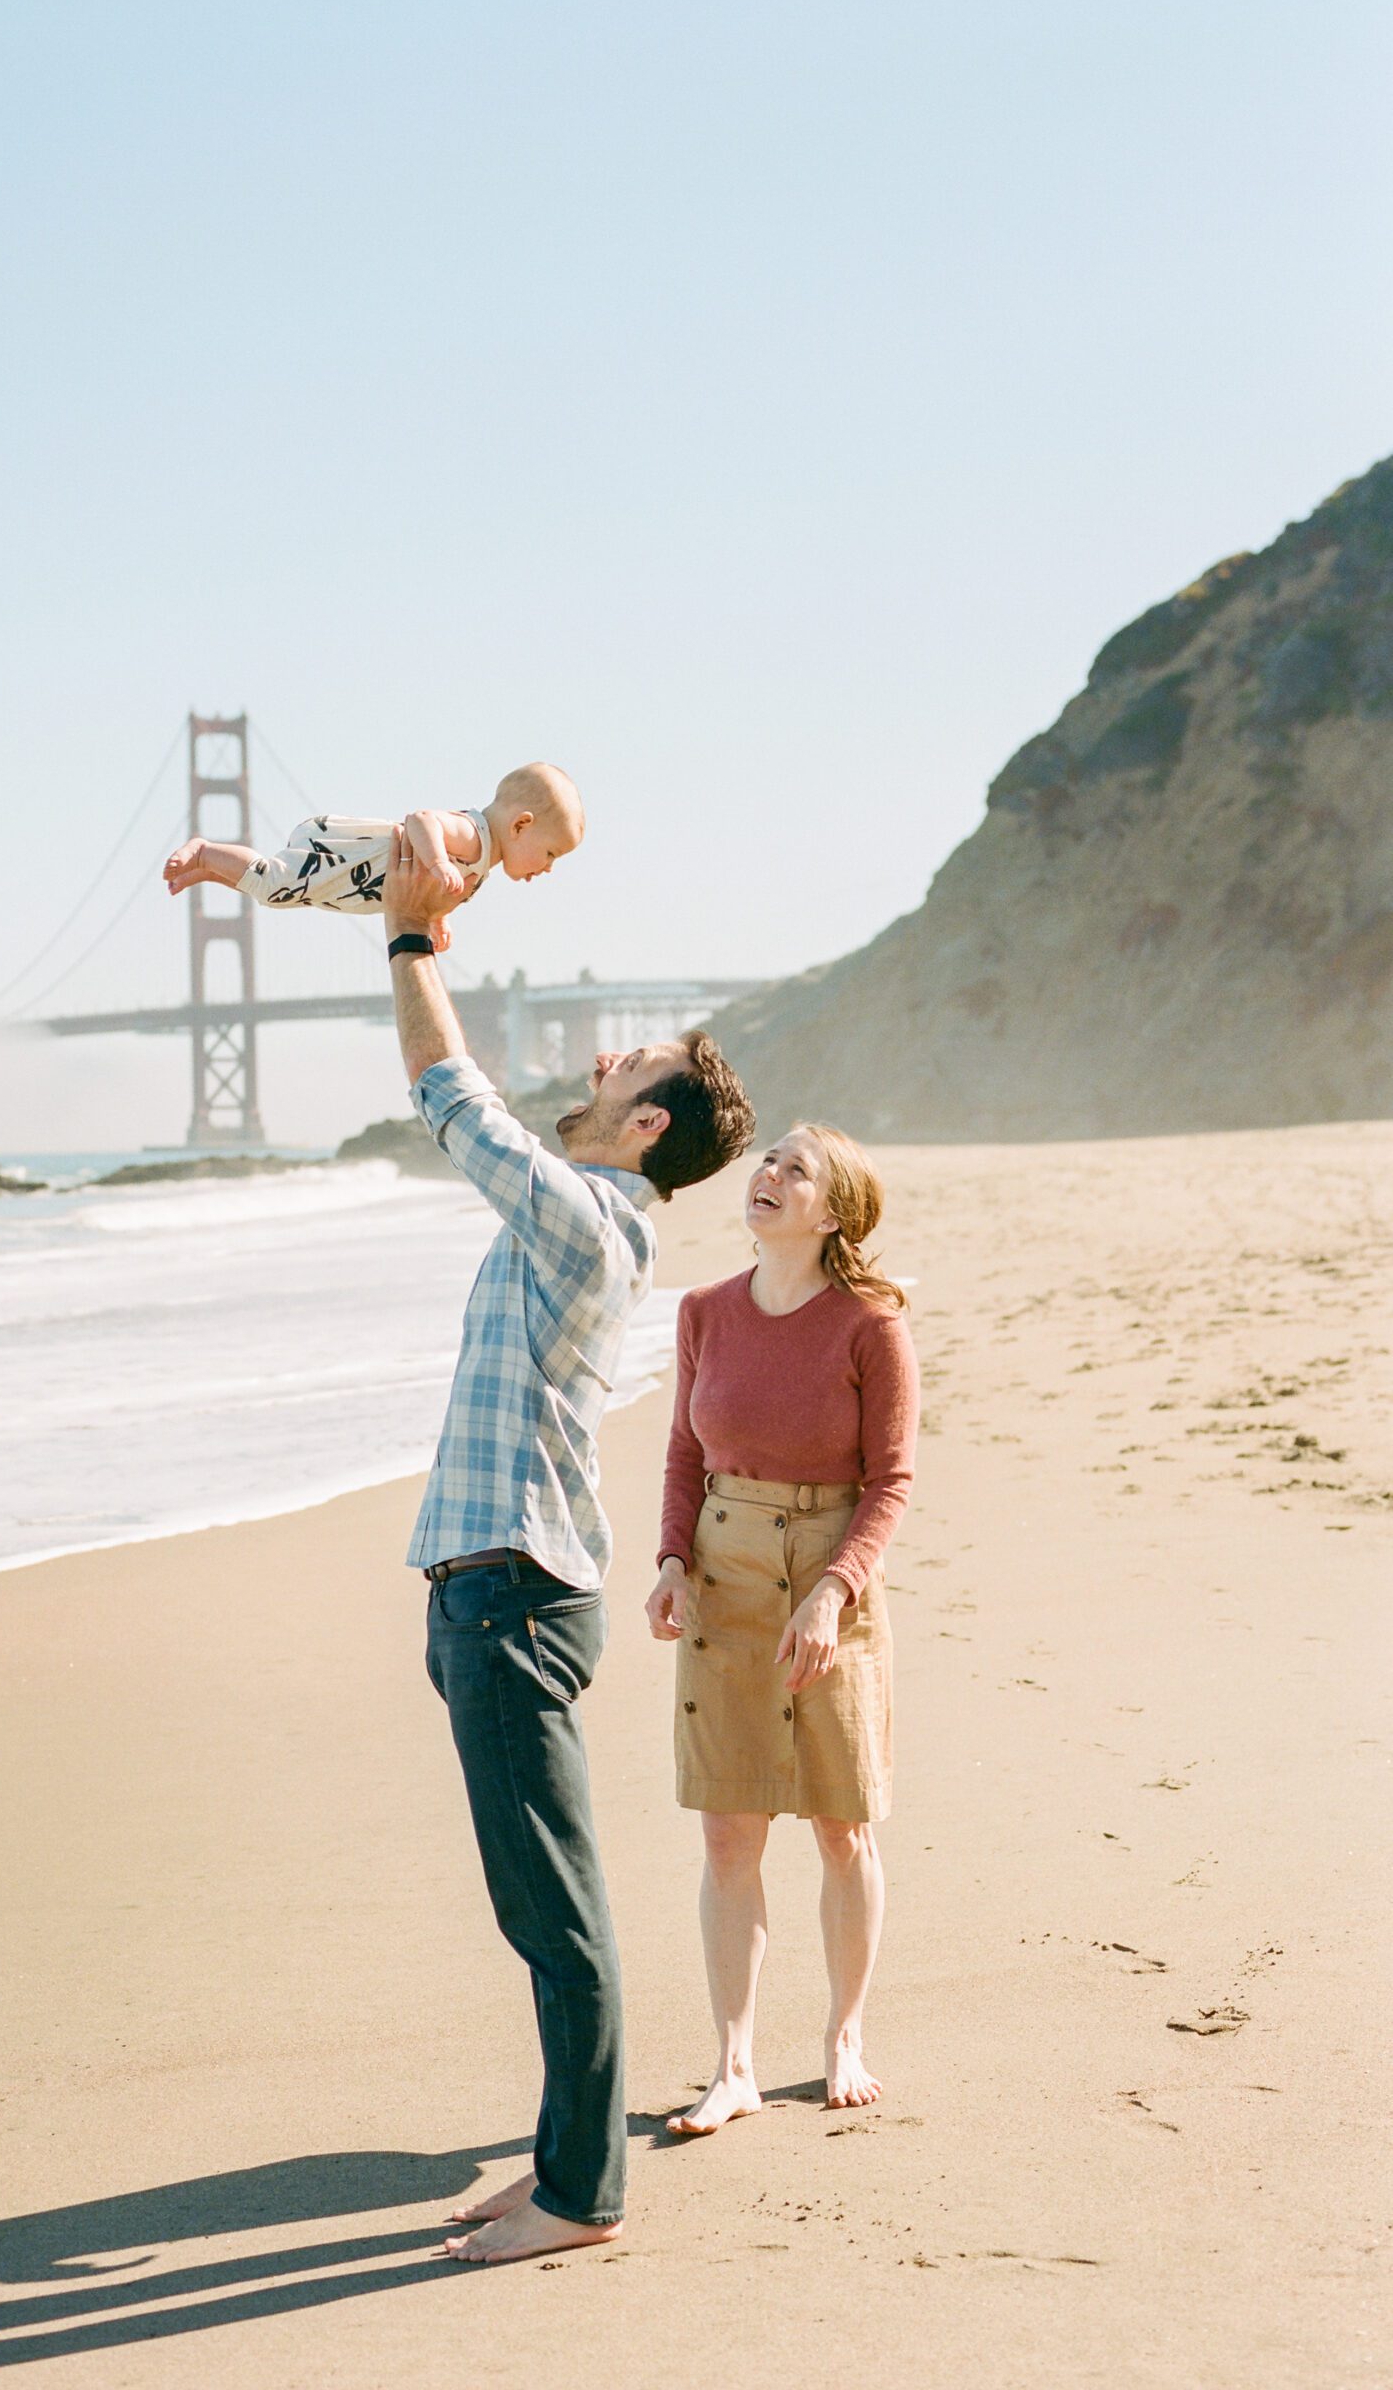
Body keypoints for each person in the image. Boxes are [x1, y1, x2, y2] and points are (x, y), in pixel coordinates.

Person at [381, 837, 753, 2265]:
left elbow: (450, 1103)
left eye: (626, 1064)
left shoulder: (593, 1223)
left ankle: (581, 2196)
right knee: (535, 1905)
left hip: (510, 1598)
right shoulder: (590, 1224)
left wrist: (408, 940)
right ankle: (557, 2160)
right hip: (490, 1589)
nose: (600, 1060)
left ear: (646, 1126)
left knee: (553, 1912)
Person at [644, 1125, 918, 2131]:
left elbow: (888, 1483)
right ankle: (733, 2063)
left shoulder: (869, 1326)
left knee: (841, 1825)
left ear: (832, 1211)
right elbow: (682, 1451)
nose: (765, 1174)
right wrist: (671, 1558)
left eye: (793, 1168)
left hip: (829, 1578)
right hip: (723, 1571)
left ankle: (843, 2035)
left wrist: (833, 1589)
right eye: (765, 1157)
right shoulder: (703, 1311)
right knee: (728, 1829)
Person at [163, 760, 582, 949]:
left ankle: (206, 870)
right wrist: (437, 863)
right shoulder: (474, 833)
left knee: (272, 895)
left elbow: (435, 881)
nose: (547, 868)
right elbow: (421, 821)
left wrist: (438, 915)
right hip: (345, 859)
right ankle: (204, 850)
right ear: (521, 825)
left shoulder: (484, 854)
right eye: (550, 853)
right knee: (273, 884)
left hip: (351, 883)